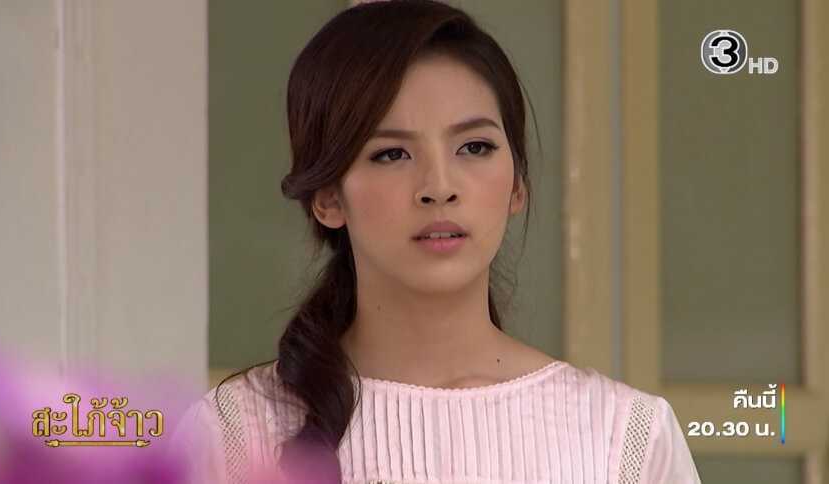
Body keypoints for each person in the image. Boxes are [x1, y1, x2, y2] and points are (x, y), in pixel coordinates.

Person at [179, 1, 702, 482]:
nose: (439, 187)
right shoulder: (231, 436)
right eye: (391, 154)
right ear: (329, 198)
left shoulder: (625, 439)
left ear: (518, 184)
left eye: (474, 147)